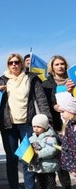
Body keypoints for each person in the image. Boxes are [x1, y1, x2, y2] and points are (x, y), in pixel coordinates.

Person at [0, 53, 51, 189]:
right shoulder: (2, 80)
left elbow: (41, 99)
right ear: (8, 65)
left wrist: (46, 120)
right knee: (12, 159)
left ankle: (29, 187)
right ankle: (14, 186)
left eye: (17, 62)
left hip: (27, 125)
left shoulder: (32, 78)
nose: (14, 65)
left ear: (21, 63)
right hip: (8, 126)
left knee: (28, 158)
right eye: (11, 63)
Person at [42, 55, 72, 188]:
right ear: (52, 67)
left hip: (73, 124)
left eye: (62, 64)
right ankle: (61, 185)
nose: (60, 66)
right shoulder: (46, 84)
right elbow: (43, 103)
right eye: (57, 64)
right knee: (59, 158)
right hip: (56, 125)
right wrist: (54, 106)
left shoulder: (73, 80)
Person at [29, 114, 59, 189]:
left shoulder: (49, 138)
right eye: (34, 126)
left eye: (39, 127)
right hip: (37, 167)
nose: (36, 129)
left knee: (50, 185)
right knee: (40, 185)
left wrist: (38, 154)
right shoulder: (32, 138)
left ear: (45, 127)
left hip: (48, 167)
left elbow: (51, 150)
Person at [59, 96, 76, 178]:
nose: (61, 114)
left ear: (72, 111)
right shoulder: (67, 126)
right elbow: (66, 146)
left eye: (63, 111)